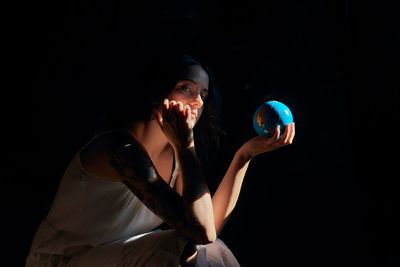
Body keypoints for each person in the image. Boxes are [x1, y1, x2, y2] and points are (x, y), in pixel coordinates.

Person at [26, 53, 295, 267]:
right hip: (61, 261)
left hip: (118, 257)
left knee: (213, 251)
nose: (197, 103)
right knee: (174, 248)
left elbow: (208, 228)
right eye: (186, 88)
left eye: (203, 94)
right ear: (159, 92)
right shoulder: (120, 148)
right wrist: (185, 144)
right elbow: (200, 231)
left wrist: (243, 156)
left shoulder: (178, 157)